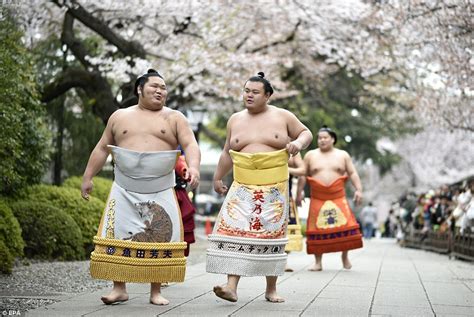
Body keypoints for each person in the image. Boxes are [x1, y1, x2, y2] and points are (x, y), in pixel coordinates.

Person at [81, 69, 200, 306]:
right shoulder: (119, 116)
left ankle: (155, 291)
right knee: (117, 233)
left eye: (163, 87)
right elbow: (102, 148)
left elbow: (190, 144)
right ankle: (118, 288)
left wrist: (194, 167)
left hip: (161, 188)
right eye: (154, 86)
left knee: (160, 237)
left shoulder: (175, 117)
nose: (159, 91)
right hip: (124, 186)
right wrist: (88, 177)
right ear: (139, 89)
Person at [207, 72, 313, 303]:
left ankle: (271, 289)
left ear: (268, 96)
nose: (249, 95)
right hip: (242, 184)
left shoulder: (283, 116)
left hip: (274, 185)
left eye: (255, 92)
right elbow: (227, 151)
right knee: (235, 231)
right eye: (246, 91)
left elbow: (306, 133)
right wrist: (217, 177)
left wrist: (297, 143)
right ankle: (231, 286)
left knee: (270, 235)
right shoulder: (235, 119)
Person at [296, 126, 363, 271]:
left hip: (337, 195)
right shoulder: (310, 156)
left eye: (325, 137)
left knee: (346, 226)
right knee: (317, 229)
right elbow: (303, 175)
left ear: (333, 139)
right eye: (320, 138)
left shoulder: (342, 155)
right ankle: (318, 262)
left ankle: (344, 257)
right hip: (318, 196)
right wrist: (299, 193)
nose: (322, 140)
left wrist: (359, 189)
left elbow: (352, 173)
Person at [285, 153, 306, 272]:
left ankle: (284, 260)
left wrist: (299, 194)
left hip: (285, 194)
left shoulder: (293, 150)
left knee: (287, 227)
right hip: (262, 189)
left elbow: (303, 173)